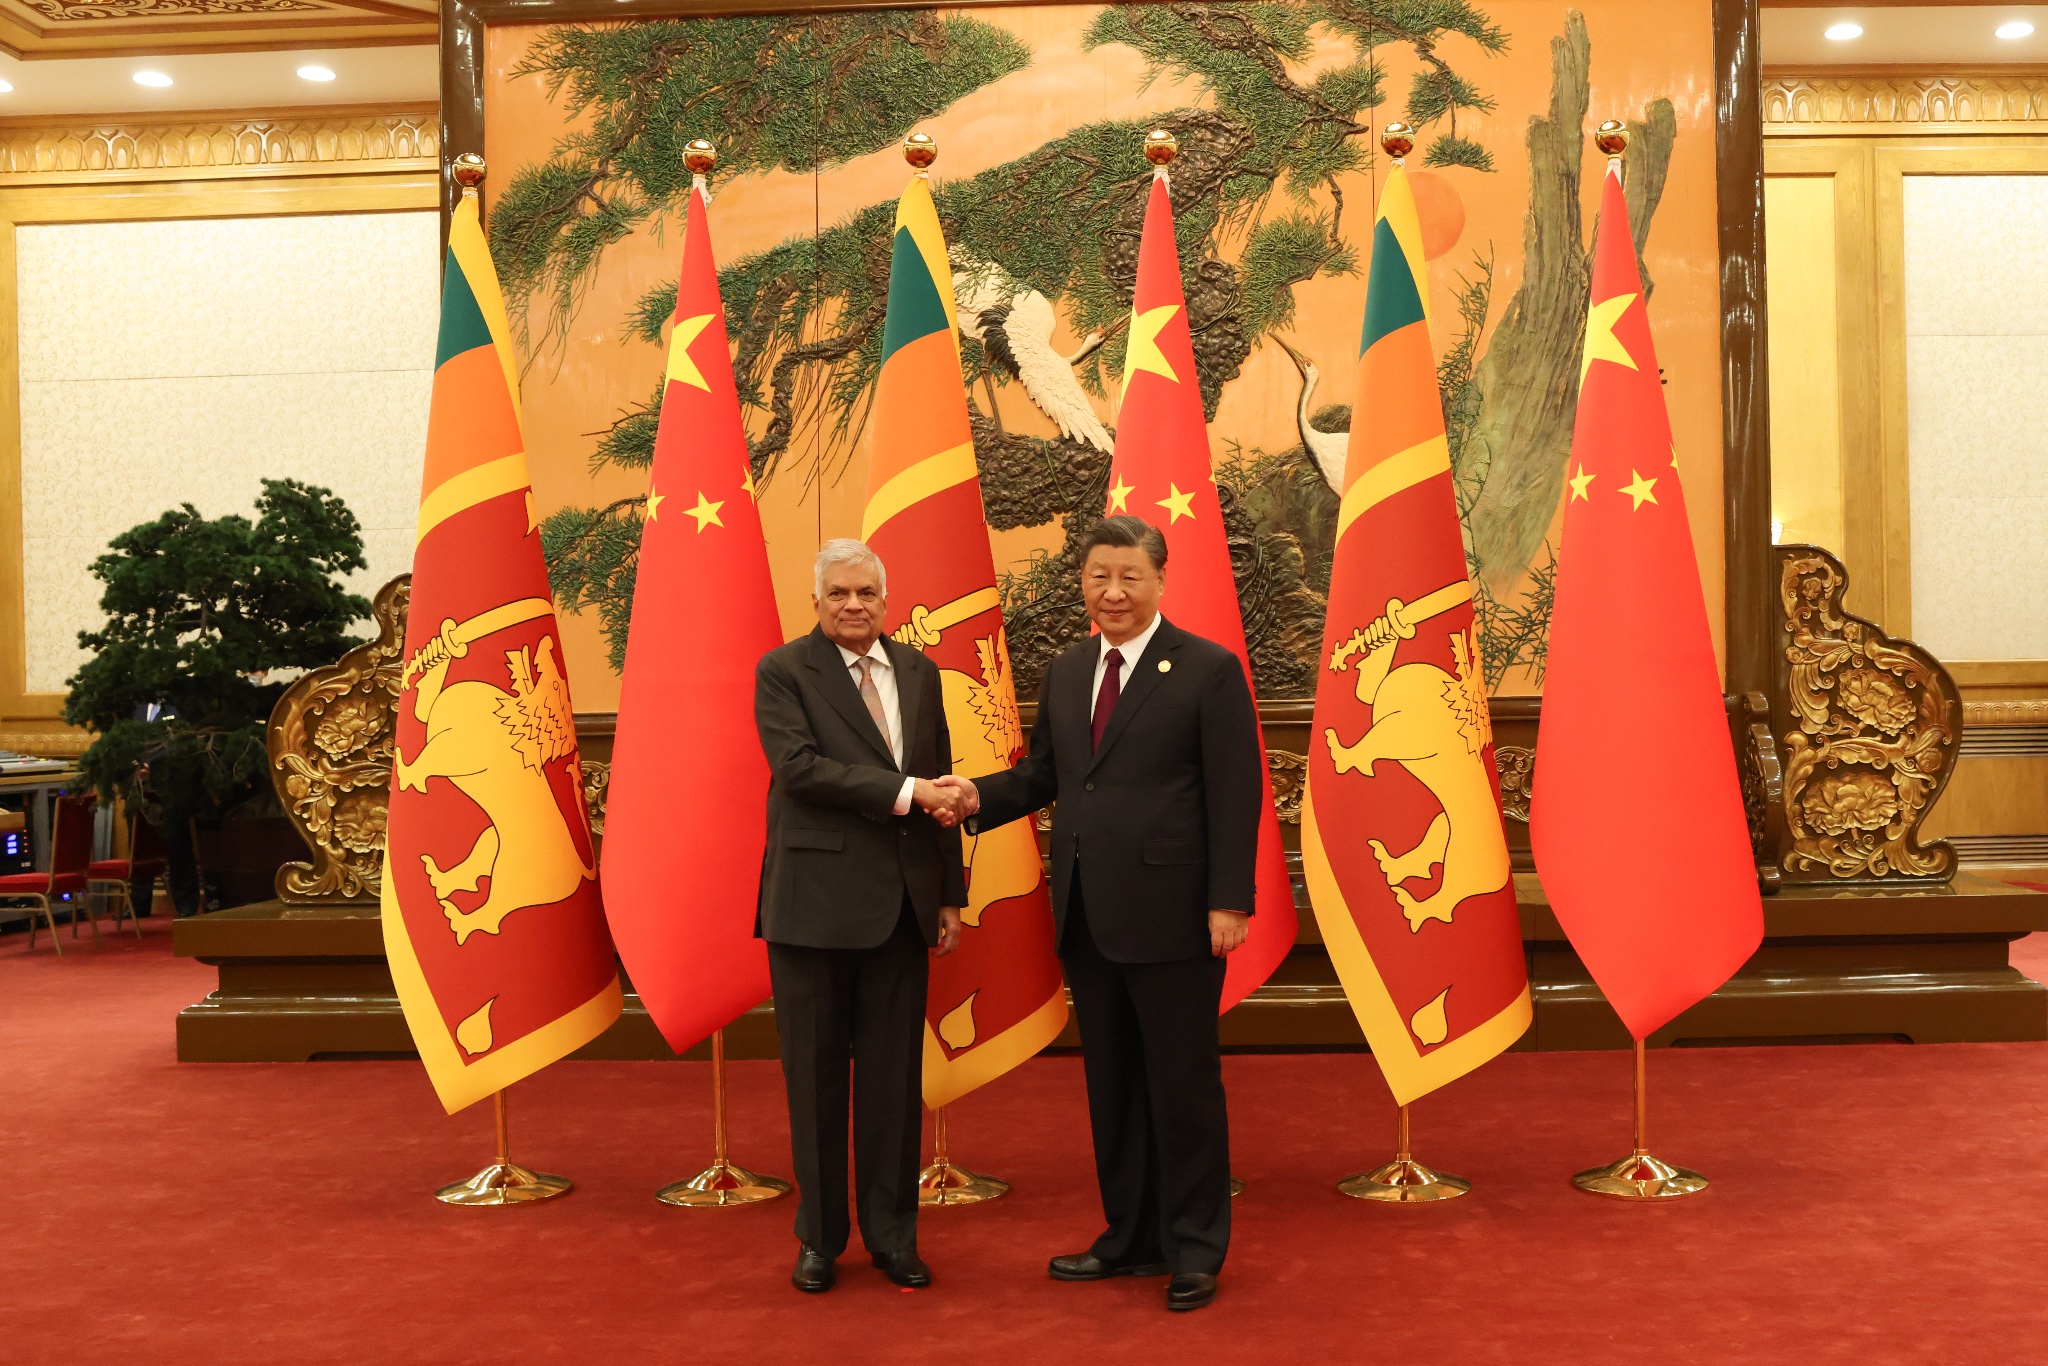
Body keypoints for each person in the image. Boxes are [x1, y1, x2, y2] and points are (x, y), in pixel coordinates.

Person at [940, 515, 1262, 1313]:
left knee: (1182, 1088)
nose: (1112, 592)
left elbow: (1237, 791)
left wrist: (1229, 900)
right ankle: (1130, 1237)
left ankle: (1194, 1248)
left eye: (1129, 577)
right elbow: (1048, 775)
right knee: (1113, 1088)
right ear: (1082, 582)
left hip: (1176, 915)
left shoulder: (1208, 669)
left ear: (1159, 581)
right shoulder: (1068, 668)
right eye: (1098, 577)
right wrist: (977, 796)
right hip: (1087, 912)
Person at [754, 538, 975, 1294]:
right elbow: (799, 770)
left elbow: (941, 781)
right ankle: (820, 1241)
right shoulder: (784, 671)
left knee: (892, 1084)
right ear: (816, 601)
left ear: (887, 600)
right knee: (815, 1082)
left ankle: (893, 1238)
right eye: (840, 594)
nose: (854, 606)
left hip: (903, 910)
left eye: (867, 594)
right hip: (811, 910)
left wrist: (948, 894)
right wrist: (909, 793)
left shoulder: (919, 671)